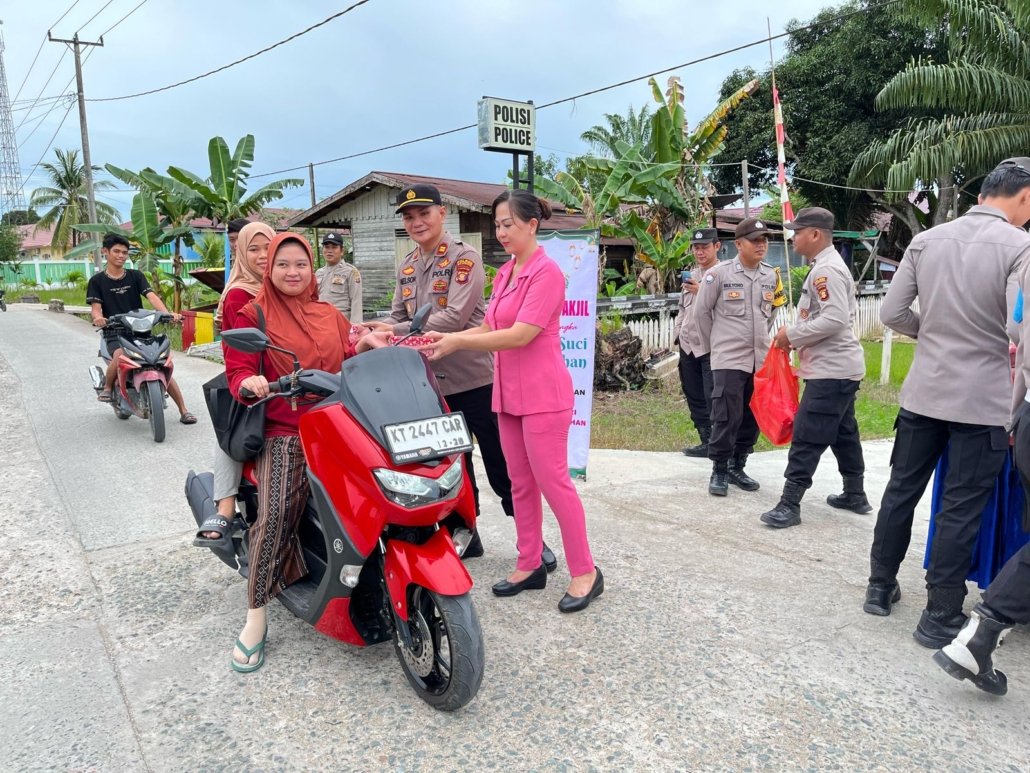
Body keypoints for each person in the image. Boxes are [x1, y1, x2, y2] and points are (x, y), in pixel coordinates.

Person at [865, 157, 1030, 651]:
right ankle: (939, 612)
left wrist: (932, 332)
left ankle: (879, 586)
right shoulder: (1020, 246)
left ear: (983, 195)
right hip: (981, 400)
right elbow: (1018, 327)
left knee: (901, 491)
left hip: (924, 393)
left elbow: (892, 311)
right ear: (1024, 197)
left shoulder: (927, 239)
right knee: (960, 507)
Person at [418, 189, 603, 613]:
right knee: (519, 482)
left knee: (553, 483)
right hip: (508, 395)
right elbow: (489, 326)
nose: (501, 233)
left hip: (544, 395)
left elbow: (521, 335)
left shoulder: (546, 273)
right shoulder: (506, 272)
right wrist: (448, 337)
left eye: (509, 225)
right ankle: (529, 562)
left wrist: (456, 342)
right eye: (498, 225)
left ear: (532, 225)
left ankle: (585, 571)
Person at [365, 183, 554, 569]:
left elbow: (452, 318)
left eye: (423, 214)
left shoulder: (464, 258)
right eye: (409, 217)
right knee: (451, 467)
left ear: (441, 214)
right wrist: (376, 328)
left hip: (474, 381)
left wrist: (392, 331)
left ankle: (532, 542)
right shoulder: (407, 265)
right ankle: (467, 533)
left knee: (503, 464)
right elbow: (399, 317)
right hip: (428, 386)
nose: (417, 222)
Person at [224, 232, 352, 672]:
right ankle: (256, 615)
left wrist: (376, 345)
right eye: (283, 264)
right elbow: (238, 368)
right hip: (288, 429)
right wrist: (248, 382)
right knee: (276, 511)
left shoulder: (329, 313)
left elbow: (351, 351)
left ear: (311, 268)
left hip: (340, 423)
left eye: (301, 264)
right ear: (269, 269)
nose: (292, 272)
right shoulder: (253, 314)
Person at [761, 207, 869, 528]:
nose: (793, 237)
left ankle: (789, 504)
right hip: (837, 368)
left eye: (797, 232)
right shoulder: (823, 266)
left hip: (831, 371)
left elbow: (834, 319)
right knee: (843, 432)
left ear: (815, 234)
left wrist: (791, 335)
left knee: (808, 434)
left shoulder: (826, 271)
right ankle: (855, 493)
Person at [195, 222, 275, 545]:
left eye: (268, 247)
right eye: (253, 249)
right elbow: (236, 353)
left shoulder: (287, 283)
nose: (262, 255)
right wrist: (247, 378)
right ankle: (225, 504)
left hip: (292, 375)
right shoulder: (239, 294)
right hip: (252, 376)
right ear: (241, 253)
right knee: (231, 427)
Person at [695, 218, 779, 497]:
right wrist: (715, 348)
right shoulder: (718, 274)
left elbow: (770, 315)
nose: (761, 245)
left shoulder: (770, 275)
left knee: (751, 416)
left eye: (764, 240)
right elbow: (701, 314)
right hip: (728, 359)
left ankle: (737, 466)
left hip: (759, 360)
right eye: (755, 240)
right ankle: (719, 469)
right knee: (726, 416)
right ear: (739, 244)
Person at [86, 233, 195, 424]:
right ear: (105, 252)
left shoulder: (135, 276)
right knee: (120, 355)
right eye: (116, 251)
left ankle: (184, 410)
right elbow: (96, 308)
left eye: (124, 252)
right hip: (114, 331)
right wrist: (98, 319)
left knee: (160, 363)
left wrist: (167, 314)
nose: (121, 255)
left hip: (140, 330)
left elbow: (151, 296)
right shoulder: (97, 281)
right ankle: (108, 388)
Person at [676, 228, 721, 457]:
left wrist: (701, 290)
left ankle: (719, 442)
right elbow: (682, 308)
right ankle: (706, 440)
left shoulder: (724, 274)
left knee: (713, 396)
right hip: (687, 346)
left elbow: (728, 306)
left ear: (717, 246)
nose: (700, 252)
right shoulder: (691, 274)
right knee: (693, 394)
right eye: (696, 247)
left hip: (710, 346)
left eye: (705, 247)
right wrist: (677, 333)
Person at [315, 231, 362, 322]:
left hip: (341, 321)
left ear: (342, 251)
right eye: (327, 247)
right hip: (321, 321)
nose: (330, 251)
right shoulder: (319, 273)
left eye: (334, 247)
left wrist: (355, 326)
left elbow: (356, 301)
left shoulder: (351, 272)